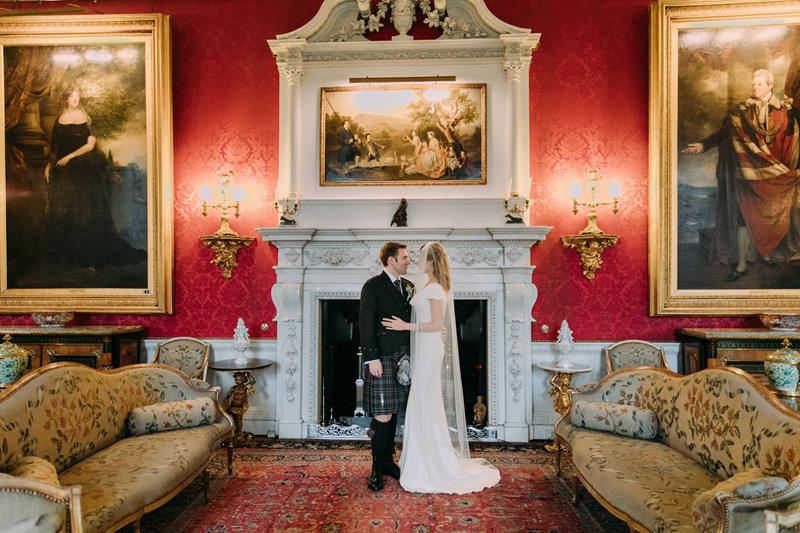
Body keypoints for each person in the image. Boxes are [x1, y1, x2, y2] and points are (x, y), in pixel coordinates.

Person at [382, 242, 500, 494]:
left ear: (432, 262)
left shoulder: (435, 288)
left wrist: (406, 327)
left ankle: (431, 463)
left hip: (429, 348)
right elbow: (436, 323)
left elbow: (436, 323)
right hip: (426, 346)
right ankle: (420, 459)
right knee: (423, 400)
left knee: (425, 399)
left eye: (422, 258)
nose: (417, 261)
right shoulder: (428, 286)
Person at [683, 69, 800, 282]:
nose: (754, 87)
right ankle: (741, 264)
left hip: (774, 176)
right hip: (745, 176)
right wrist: (703, 144)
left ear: (770, 85)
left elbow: (792, 143)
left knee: (768, 219)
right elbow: (722, 134)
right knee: (743, 219)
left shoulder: (786, 112)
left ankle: (765, 255)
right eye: (753, 83)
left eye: (759, 83)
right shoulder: (740, 113)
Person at [44, 87, 145, 269]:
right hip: (64, 170)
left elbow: (90, 146)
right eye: (71, 96)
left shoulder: (87, 119)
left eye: (77, 96)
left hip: (85, 167)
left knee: (87, 210)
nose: (75, 99)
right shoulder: (58, 121)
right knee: (70, 209)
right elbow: (54, 149)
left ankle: (91, 255)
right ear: (65, 98)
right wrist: (49, 165)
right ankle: (71, 255)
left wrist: (68, 157)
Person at [358, 242, 414, 491]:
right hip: (381, 359)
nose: (408, 261)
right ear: (391, 260)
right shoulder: (373, 286)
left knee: (393, 412)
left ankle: (388, 461)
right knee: (382, 414)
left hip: (404, 359)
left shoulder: (408, 286)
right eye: (404, 257)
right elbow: (366, 323)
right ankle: (376, 468)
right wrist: (372, 359)